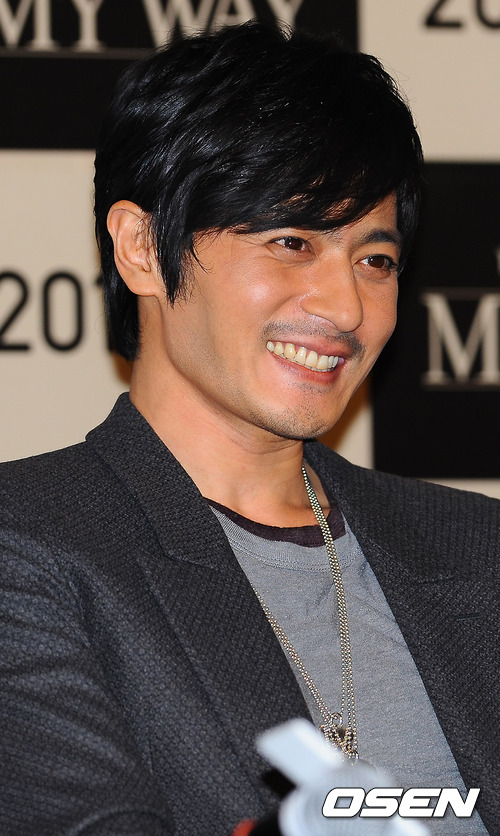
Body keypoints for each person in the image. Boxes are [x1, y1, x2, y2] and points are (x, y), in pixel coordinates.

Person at [0, 20, 498, 836]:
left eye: (375, 260)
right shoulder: (31, 545)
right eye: (292, 241)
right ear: (142, 249)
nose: (346, 307)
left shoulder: (479, 547)